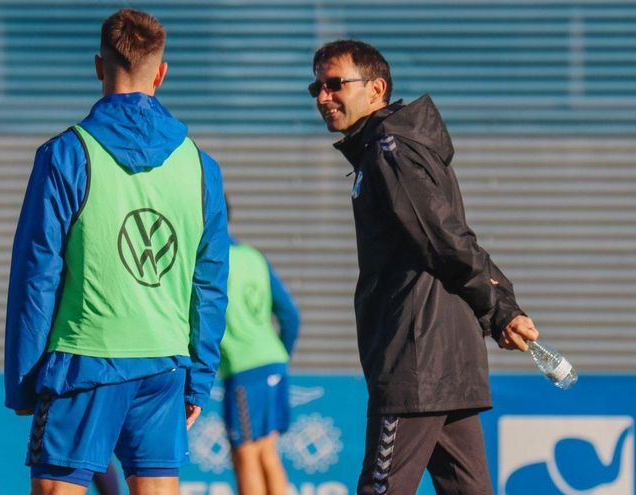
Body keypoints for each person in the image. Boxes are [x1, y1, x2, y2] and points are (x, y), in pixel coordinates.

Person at [4, 8, 228, 495]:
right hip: (165, 363)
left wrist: (23, 378)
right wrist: (198, 378)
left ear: (99, 66)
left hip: (83, 362)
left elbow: (36, 274)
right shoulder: (201, 166)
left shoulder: (66, 153)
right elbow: (208, 283)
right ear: (161, 73)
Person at [309, 40, 540, 494]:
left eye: (335, 84)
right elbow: (451, 236)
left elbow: (443, 239)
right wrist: (501, 308)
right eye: (316, 86)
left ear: (375, 89)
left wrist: (500, 309)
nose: (323, 96)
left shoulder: (388, 151)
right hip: (444, 356)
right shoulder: (389, 150)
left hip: (415, 358)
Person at [219, 198, 300, 495]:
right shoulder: (253, 256)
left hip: (244, 369)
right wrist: (279, 357)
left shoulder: (209, 261)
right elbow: (290, 315)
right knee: (267, 451)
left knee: (246, 454)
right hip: (272, 362)